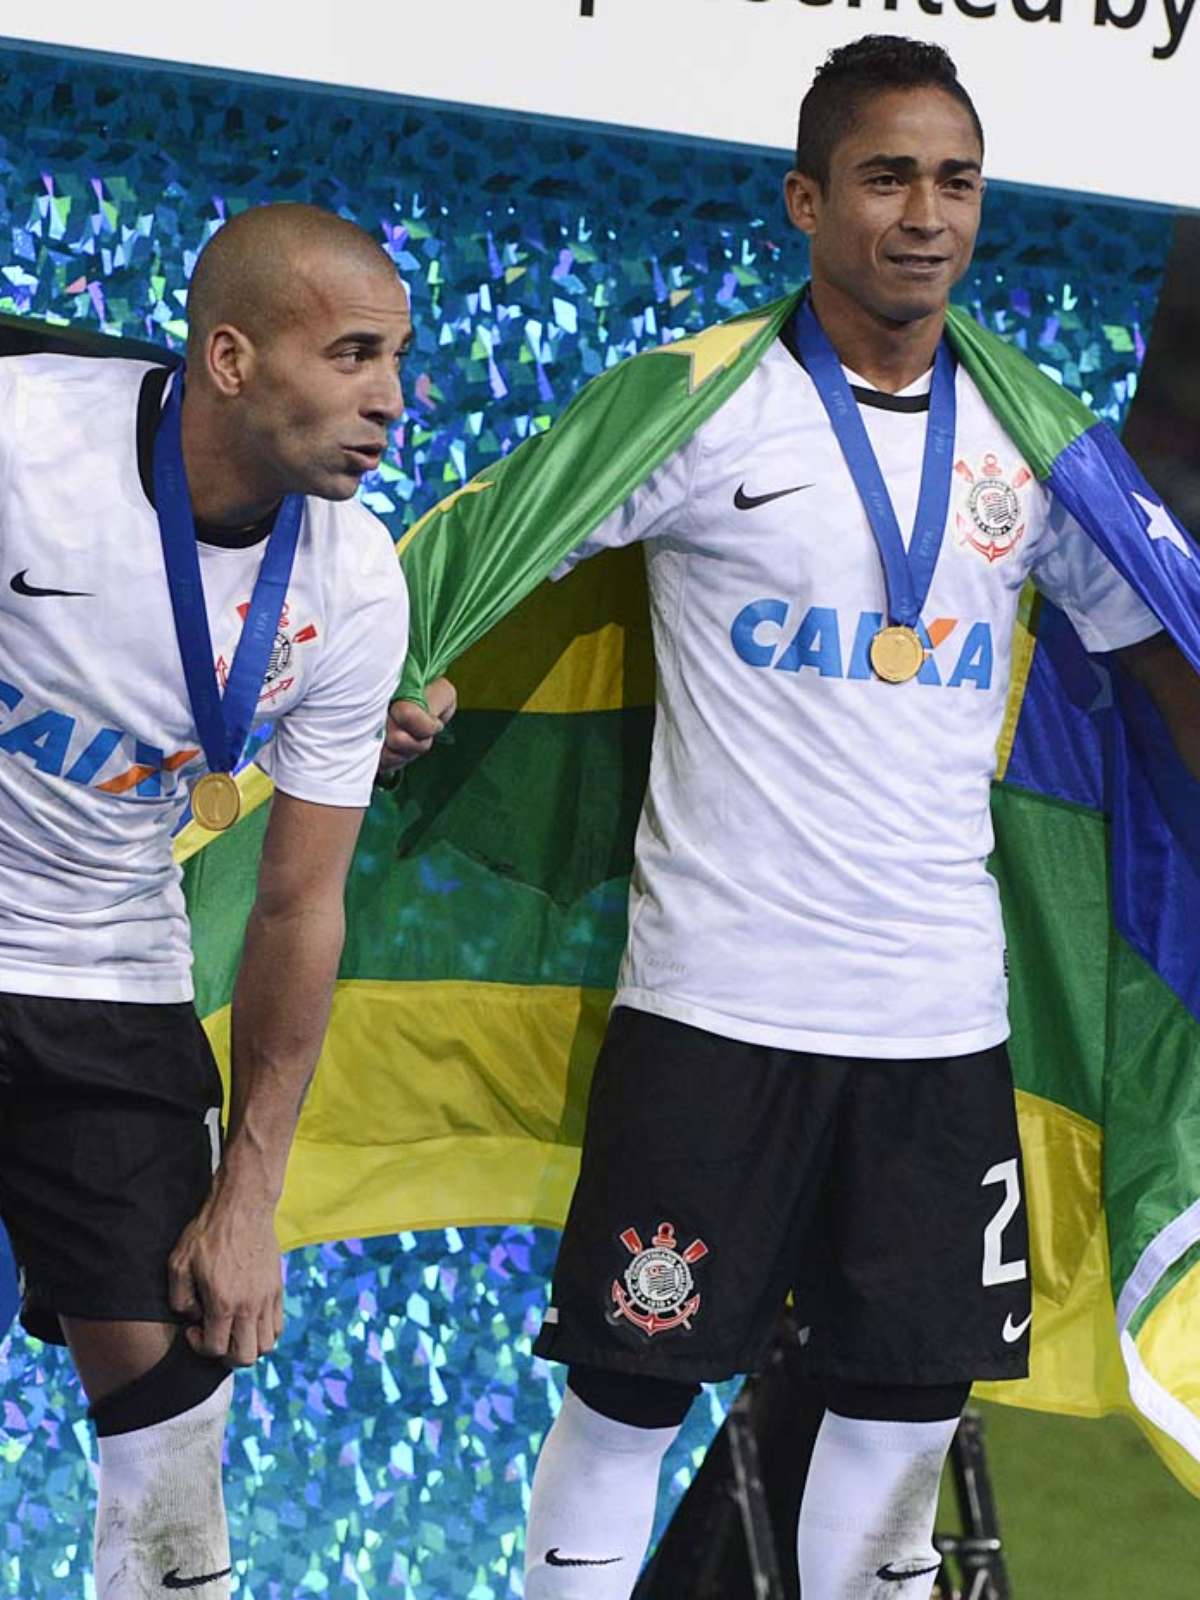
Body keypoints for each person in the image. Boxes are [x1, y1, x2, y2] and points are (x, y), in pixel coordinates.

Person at [382, 35, 1200, 1599]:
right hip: (716, 1013)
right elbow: (501, 544)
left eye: (956, 181)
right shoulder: (699, 410)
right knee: (629, 1392)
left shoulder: (1037, 449)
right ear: (807, 201)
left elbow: (1164, 650)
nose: (927, 214)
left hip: (940, 1023)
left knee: (903, 1411)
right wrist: (405, 674)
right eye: (887, 178)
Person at [0, 202, 449, 1599]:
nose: (390, 399)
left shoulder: (354, 583)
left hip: (107, 977)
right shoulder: (25, 443)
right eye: (355, 355)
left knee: (176, 1421)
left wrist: (248, 1196)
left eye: (399, 360)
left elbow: (299, 907)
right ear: (233, 359)